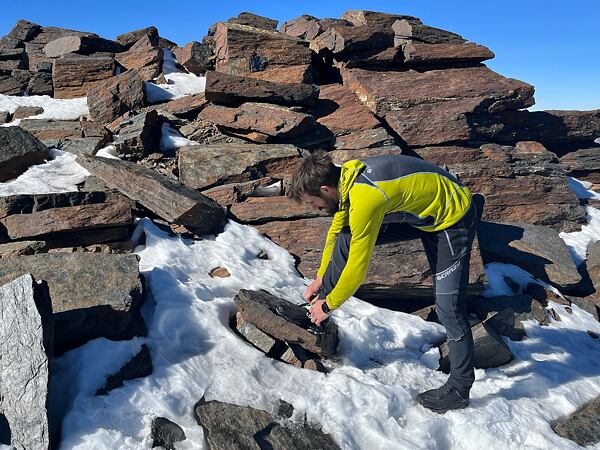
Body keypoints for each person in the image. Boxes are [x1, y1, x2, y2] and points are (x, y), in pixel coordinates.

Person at [288, 151, 481, 413]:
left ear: (325, 189)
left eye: (314, 203)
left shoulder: (366, 198)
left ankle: (459, 389)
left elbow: (358, 266)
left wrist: (330, 305)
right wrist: (321, 280)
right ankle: (319, 309)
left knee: (449, 307)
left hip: (452, 219)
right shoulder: (346, 180)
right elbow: (336, 231)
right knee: (346, 233)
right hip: (420, 214)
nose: (315, 209)